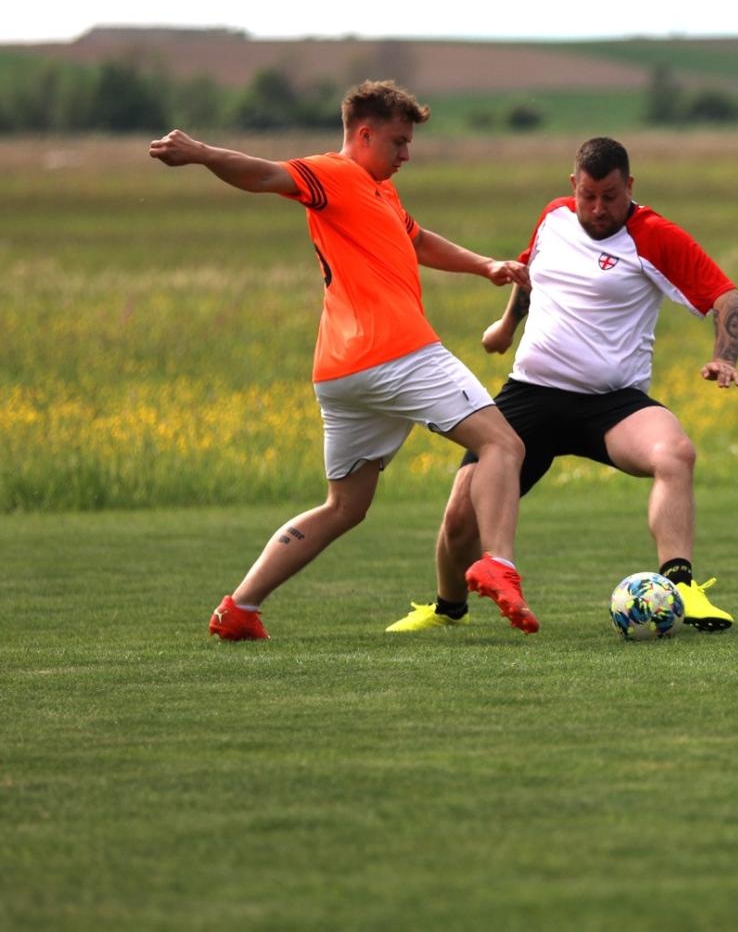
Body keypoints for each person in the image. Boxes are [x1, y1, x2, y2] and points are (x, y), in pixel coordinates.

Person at [148, 80, 540, 640]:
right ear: (364, 134)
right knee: (503, 444)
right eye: (399, 142)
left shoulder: (381, 192)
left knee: (344, 507)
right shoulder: (333, 174)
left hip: (342, 373)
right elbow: (262, 175)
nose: (407, 154)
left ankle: (240, 607)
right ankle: (496, 561)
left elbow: (419, 240)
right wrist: (202, 153)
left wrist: (485, 266)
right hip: (398, 352)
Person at [386, 137, 738, 634]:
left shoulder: (656, 236)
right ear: (573, 186)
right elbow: (530, 272)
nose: (598, 209)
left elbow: (727, 298)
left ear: (630, 187)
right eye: (589, 196)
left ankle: (681, 587)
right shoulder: (553, 216)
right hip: (530, 394)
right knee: (461, 518)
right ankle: (447, 609)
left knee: (675, 454)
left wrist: (723, 358)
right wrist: (506, 327)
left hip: (612, 404)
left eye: (611, 197)